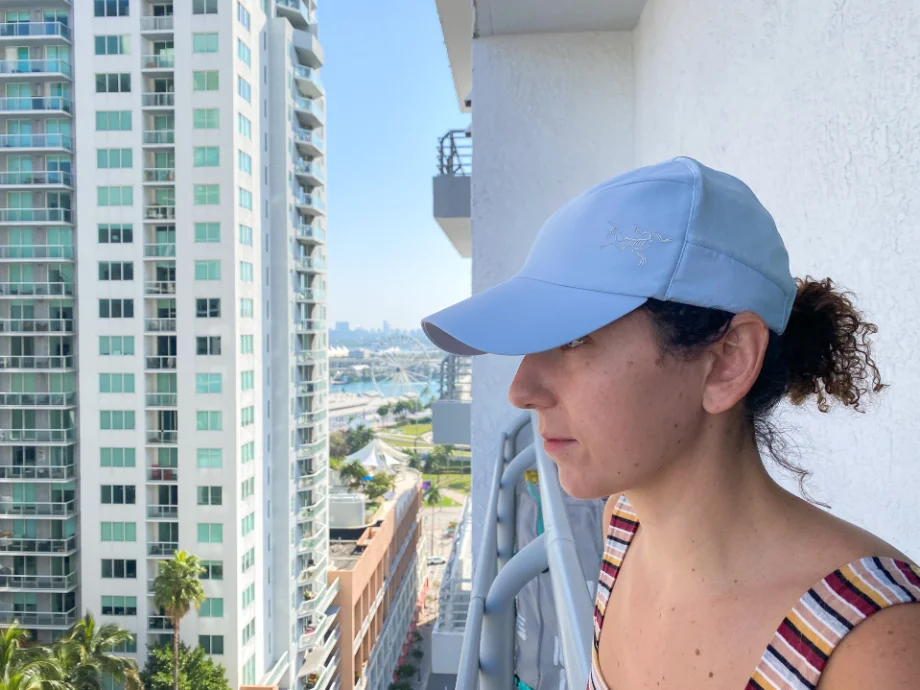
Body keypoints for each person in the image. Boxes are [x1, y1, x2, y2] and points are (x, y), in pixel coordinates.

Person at [420, 158, 920, 689]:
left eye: (574, 339)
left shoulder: (875, 652)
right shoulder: (624, 525)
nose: (522, 390)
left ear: (727, 361)